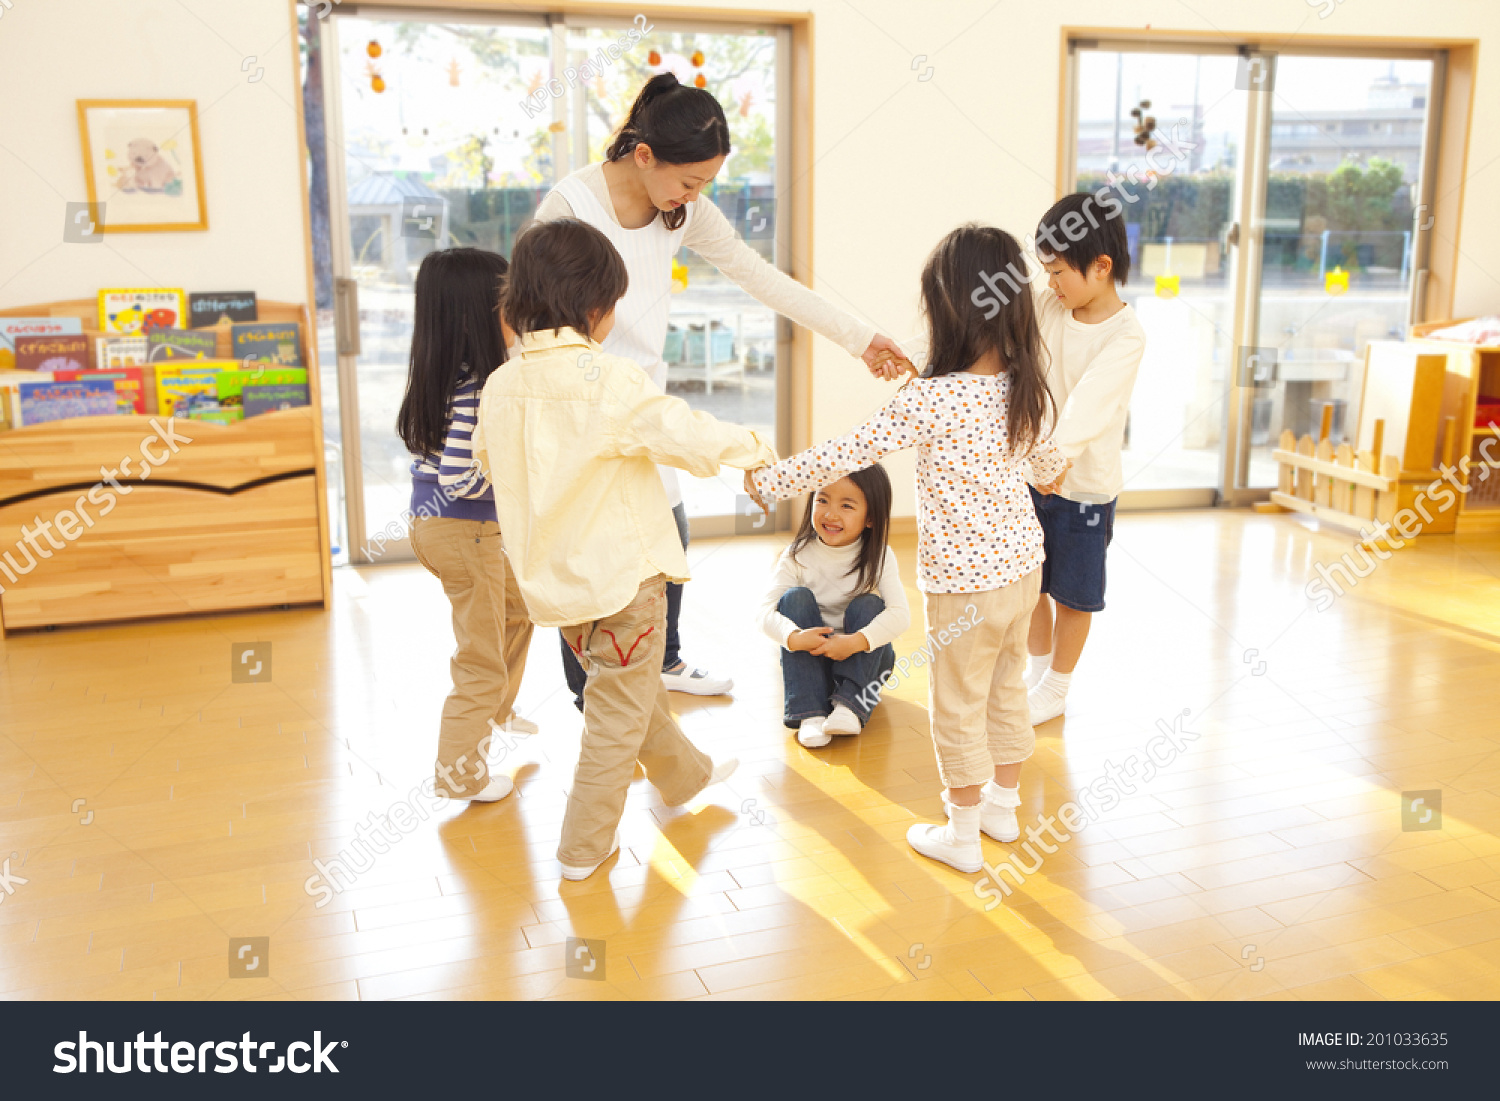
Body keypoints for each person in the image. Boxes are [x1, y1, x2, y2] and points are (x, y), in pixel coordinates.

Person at [535, 72, 909, 703]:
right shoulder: (570, 207)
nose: (694, 195)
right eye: (689, 180)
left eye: (705, 183)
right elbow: (531, 315)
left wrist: (859, 337)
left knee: (669, 539)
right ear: (644, 155)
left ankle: (665, 663)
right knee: (590, 563)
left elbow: (760, 278)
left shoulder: (680, 209)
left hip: (644, 407)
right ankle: (590, 691)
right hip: (579, 410)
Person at [751, 224, 1068, 874]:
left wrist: (771, 478)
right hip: (1023, 574)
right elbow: (1048, 469)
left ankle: (962, 834)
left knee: (956, 701)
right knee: (1008, 686)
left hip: (964, 587)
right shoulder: (1023, 385)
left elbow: (846, 452)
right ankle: (1004, 807)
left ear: (946, 308)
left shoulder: (929, 398)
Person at [473, 218, 776, 881]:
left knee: (622, 690)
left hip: (559, 589)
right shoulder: (606, 378)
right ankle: (584, 846)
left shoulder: (502, 385)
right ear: (594, 309)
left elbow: (490, 464)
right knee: (615, 711)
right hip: (625, 583)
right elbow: (683, 434)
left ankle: (685, 776)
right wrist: (754, 449)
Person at [396, 247, 535, 803]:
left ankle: (494, 713)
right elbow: (459, 477)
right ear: (482, 313)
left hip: (445, 527)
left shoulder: (446, 373)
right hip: (465, 527)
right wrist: (511, 477)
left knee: (520, 609)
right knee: (479, 660)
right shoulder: (479, 384)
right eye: (511, 305)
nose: (521, 317)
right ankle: (461, 776)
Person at [1024, 192, 1147, 725]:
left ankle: (1057, 686)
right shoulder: (1050, 305)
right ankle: (1036, 669)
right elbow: (988, 328)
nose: (1051, 284)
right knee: (1028, 582)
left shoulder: (1126, 335)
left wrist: (1053, 460)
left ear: (1102, 267)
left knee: (1074, 594)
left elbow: (1087, 405)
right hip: (1034, 476)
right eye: (1045, 272)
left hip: (1084, 489)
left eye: (1058, 272)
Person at [759, 464, 910, 748]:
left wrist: (855, 642)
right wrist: (794, 638)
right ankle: (810, 714)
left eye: (847, 505)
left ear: (871, 519)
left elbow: (901, 616)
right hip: (813, 658)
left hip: (864, 660)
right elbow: (763, 612)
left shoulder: (879, 555)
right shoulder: (797, 554)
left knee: (869, 604)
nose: (830, 513)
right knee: (794, 598)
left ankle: (850, 706)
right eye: (823, 500)